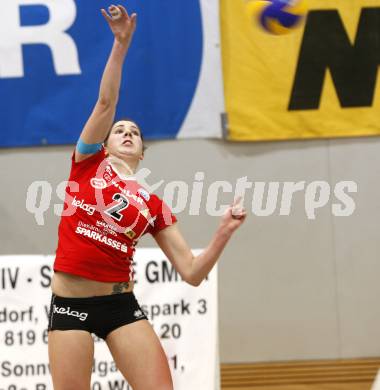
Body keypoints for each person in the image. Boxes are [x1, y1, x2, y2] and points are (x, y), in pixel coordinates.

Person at [47, 4, 246, 390]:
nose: (125, 132)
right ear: (103, 143)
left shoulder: (153, 205)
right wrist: (121, 43)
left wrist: (224, 231)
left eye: (133, 132)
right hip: (70, 304)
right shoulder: (87, 162)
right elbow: (106, 103)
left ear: (141, 152)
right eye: (118, 129)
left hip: (120, 306)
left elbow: (191, 272)